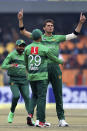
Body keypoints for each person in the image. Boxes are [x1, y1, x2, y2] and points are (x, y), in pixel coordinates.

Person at [17, 9, 86, 127]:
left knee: (58, 94)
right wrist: (20, 20)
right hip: (42, 69)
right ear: (43, 28)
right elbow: (23, 32)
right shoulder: (38, 37)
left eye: (52, 26)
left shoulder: (57, 38)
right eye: (48, 26)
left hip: (55, 68)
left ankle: (61, 119)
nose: (50, 27)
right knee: (40, 95)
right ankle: (39, 119)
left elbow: (74, 34)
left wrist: (80, 23)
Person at [24, 29, 64, 127]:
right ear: (40, 38)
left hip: (31, 75)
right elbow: (53, 58)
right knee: (42, 98)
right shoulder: (44, 49)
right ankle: (40, 121)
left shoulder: (27, 48)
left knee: (34, 95)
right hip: (41, 75)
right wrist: (61, 61)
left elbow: (26, 63)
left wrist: (29, 72)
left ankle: (30, 114)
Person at [1, 40, 30, 124]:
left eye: (23, 46)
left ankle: (30, 117)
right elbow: (3, 65)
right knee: (16, 96)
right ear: (16, 46)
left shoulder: (26, 55)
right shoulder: (12, 55)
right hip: (14, 80)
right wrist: (11, 65)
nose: (22, 48)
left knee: (27, 98)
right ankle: (12, 112)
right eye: (20, 46)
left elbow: (29, 66)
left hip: (24, 80)